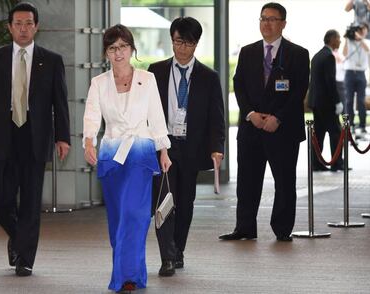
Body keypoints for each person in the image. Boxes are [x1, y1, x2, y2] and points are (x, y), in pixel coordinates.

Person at [0, 2, 70, 276]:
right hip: (3, 135)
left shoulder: (51, 60)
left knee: (31, 200)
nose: (23, 29)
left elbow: (60, 103)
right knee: (0, 199)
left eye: (28, 23)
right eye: (18, 23)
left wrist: (63, 137)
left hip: (35, 135)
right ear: (9, 27)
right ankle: (19, 239)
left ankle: (25, 258)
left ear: (36, 27)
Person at [83, 24, 171, 292]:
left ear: (132, 49)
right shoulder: (98, 83)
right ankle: (134, 273)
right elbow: (91, 115)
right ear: (106, 53)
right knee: (119, 218)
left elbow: (156, 116)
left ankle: (125, 277)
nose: (118, 52)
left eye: (123, 46)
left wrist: (163, 150)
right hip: (111, 155)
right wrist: (89, 141)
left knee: (136, 213)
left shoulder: (148, 79)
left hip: (141, 152)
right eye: (112, 48)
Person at [219, 2, 309, 242]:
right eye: (262, 19)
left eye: (272, 19)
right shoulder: (247, 52)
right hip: (252, 128)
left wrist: (277, 117)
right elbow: (239, 86)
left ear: (283, 24)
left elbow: (298, 91)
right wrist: (251, 114)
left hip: (283, 129)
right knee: (247, 181)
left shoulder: (298, 54)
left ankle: (282, 229)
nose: (266, 23)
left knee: (284, 182)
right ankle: (245, 227)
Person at [148, 17, 225, 276]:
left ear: (196, 44)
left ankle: (178, 249)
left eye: (188, 43)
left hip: (191, 147)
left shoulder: (208, 77)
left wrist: (217, 148)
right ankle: (167, 256)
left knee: (185, 202)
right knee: (164, 201)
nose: (182, 48)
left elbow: (217, 117)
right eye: (178, 41)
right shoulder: (155, 71)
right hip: (164, 146)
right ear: (172, 40)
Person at [308, 30, 345, 172]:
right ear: (331, 39)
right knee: (336, 132)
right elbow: (330, 81)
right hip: (326, 103)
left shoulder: (317, 56)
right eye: (338, 38)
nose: (340, 41)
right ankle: (337, 163)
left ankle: (316, 163)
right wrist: (337, 102)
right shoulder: (329, 56)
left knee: (319, 133)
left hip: (316, 102)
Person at [343, 23, 369, 134]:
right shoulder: (349, 41)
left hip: (361, 74)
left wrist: (360, 38)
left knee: (361, 101)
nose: (361, 32)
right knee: (348, 100)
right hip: (349, 73)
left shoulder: (366, 42)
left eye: (363, 30)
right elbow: (344, 54)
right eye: (359, 30)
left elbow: (367, 49)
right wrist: (346, 38)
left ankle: (362, 125)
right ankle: (350, 125)